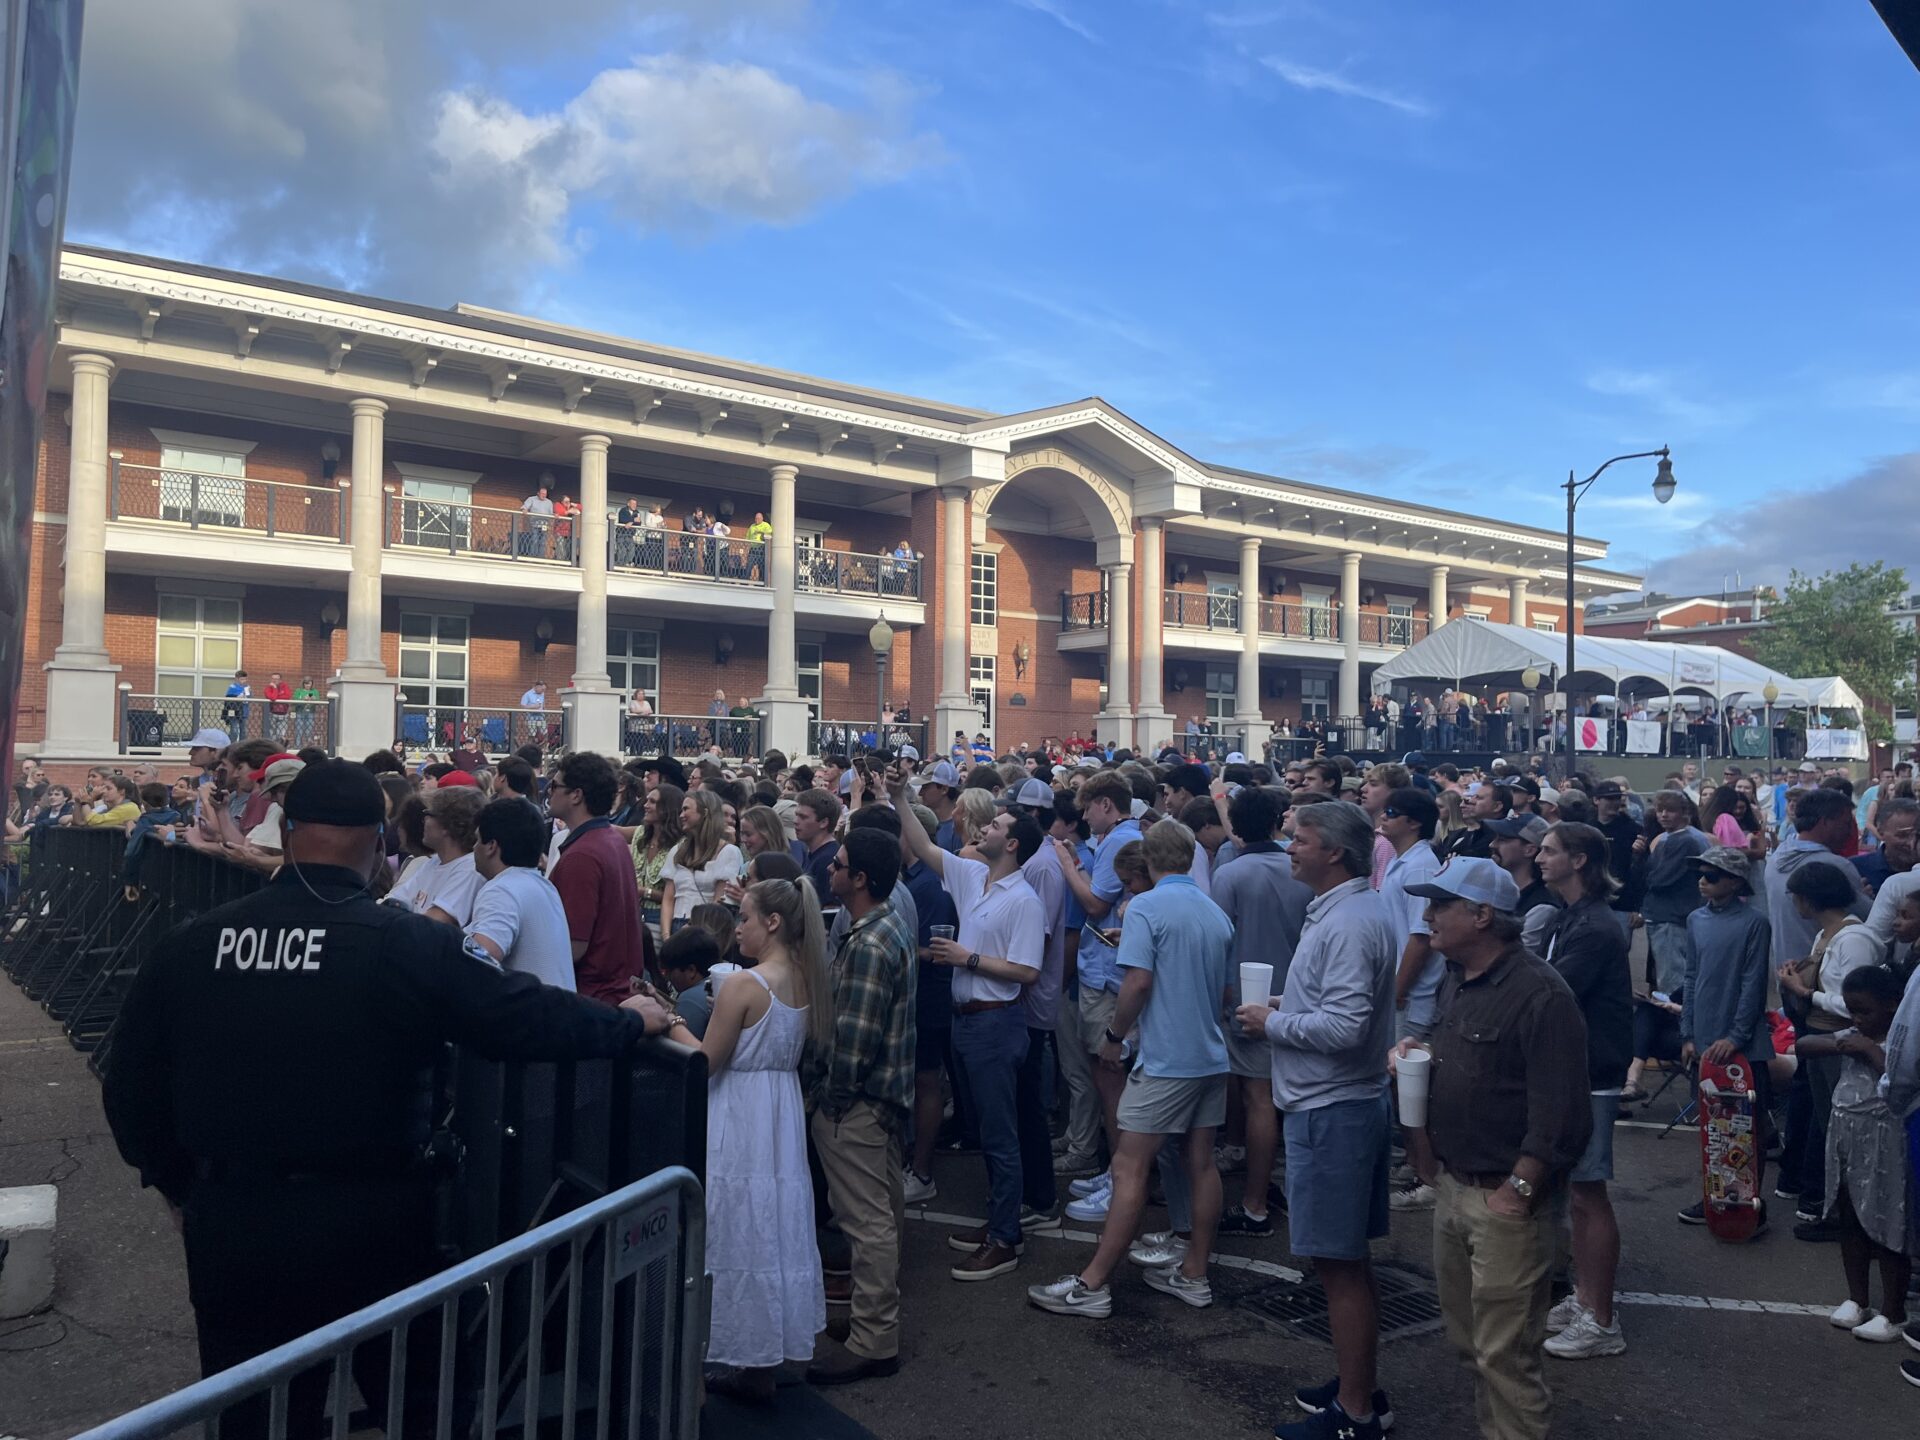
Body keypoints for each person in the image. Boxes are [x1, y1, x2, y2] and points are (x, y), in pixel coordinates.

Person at [101, 760, 675, 1440]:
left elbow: (129, 1081)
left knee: (256, 1413)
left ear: (289, 834)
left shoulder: (195, 943)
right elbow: (519, 1015)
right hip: (377, 1220)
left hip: (239, 1219)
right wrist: (628, 1022)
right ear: (379, 844)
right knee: (416, 1404)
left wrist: (176, 1182)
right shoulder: (403, 943)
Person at [1398, 858, 1594, 1440]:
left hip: (1504, 1202)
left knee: (1505, 1359)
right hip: (1458, 1187)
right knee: (1472, 1346)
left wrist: (1518, 1191)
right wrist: (1417, 1052)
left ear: (1482, 916)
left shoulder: (1541, 995)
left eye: (1441, 905)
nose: (1428, 916)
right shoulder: (1460, 976)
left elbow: (1563, 1113)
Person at [1027, 819, 1232, 1320]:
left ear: (1151, 861)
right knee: (1201, 1163)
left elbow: (1138, 984)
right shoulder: (1213, 911)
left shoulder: (1145, 905)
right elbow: (1217, 986)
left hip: (1167, 1060)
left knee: (1128, 1166)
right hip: (1209, 1054)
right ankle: (1194, 1273)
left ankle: (1092, 1284)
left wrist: (1114, 1038)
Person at [1238, 801, 1398, 1440]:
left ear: (1334, 851)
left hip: (1332, 1109)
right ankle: (1359, 1387)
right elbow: (1336, 1006)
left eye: (1300, 839)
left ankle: (1356, 1414)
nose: (1289, 848)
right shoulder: (1346, 910)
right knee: (1347, 1261)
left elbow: (1346, 1027)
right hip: (1337, 1104)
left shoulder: (1350, 921)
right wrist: (1287, 1002)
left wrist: (1273, 1021)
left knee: (1338, 1265)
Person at [681, 877, 830, 1402]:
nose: (737, 928)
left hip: (740, 1115)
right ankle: (759, 1364)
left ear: (773, 922)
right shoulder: (808, 978)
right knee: (770, 1232)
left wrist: (669, 1019)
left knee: (729, 1228)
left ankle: (704, 1367)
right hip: (779, 1115)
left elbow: (705, 1061)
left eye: (743, 917)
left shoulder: (744, 985)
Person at [891, 771, 1044, 1281]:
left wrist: (967, 958)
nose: (985, 828)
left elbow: (1027, 972)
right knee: (988, 1132)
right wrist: (898, 796)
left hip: (994, 1024)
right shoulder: (975, 877)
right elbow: (921, 846)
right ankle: (999, 1222)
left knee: (1000, 1135)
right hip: (969, 1023)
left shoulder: (1024, 900)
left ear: (1012, 844)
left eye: (996, 825)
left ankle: (1005, 1240)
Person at [809, 828, 918, 1385]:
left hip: (859, 1104)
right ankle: (868, 1321)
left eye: (840, 865)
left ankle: (873, 1340)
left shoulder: (870, 943)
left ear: (860, 880)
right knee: (882, 1213)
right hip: (882, 1099)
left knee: (867, 1222)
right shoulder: (881, 924)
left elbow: (854, 1042)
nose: (830, 870)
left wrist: (831, 1101)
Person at [1527, 823, 1634, 1359]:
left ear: (1580, 860)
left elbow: (1552, 991)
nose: (1538, 858)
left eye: (1549, 851)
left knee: (1589, 1195)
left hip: (1592, 1074)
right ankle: (1586, 1297)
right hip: (1578, 1070)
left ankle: (1601, 1321)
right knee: (1576, 1193)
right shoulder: (1572, 916)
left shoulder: (1593, 927)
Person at [1209, 786, 1310, 1236]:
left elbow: (1218, 942)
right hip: (1299, 995)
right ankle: (1278, 1187)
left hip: (1249, 999)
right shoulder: (1300, 867)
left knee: (1259, 1100)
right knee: (1288, 1099)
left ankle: (1255, 1204)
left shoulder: (1231, 874)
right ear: (1274, 822)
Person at [1796, 966, 1910, 1341]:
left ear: (1892, 1005)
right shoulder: (1852, 1034)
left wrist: (1870, 1050)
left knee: (1886, 1220)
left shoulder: (1902, 1040)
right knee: (1851, 1216)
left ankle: (1894, 1311)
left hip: (1884, 1137)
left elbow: (1899, 1078)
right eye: (1852, 1011)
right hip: (1846, 1133)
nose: (1858, 1019)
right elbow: (1804, 1045)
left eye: (1865, 1011)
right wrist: (1843, 1043)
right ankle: (1857, 1298)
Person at [1779, 856, 1888, 1240]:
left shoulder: (1853, 939)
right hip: (1824, 1039)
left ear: (1809, 898)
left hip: (1842, 1041)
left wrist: (1806, 992)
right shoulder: (1828, 935)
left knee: (1840, 1128)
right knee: (1826, 1123)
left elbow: (1856, 1004)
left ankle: (1845, 1213)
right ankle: (1829, 1204)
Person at [1673, 847, 1772, 1224]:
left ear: (1734, 882)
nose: (1702, 881)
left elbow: (1753, 983)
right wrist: (1687, 1033)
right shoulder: (1696, 919)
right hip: (1703, 1041)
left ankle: (1748, 1202)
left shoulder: (1755, 922)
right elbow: (1691, 977)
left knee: (1746, 1126)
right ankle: (1716, 1197)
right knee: (1713, 1128)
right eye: (1700, 874)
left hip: (1742, 1045)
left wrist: (1736, 1035)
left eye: (1711, 875)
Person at [1378, 786, 1445, 1211]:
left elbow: (1420, 938)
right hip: (1402, 990)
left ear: (1414, 822)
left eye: (1392, 811)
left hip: (1411, 994)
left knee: (1409, 1087)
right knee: (1399, 1085)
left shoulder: (1420, 865)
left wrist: (1398, 990)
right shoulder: (1401, 860)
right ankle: (1414, 1162)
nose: (1383, 817)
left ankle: (1428, 1177)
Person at [548, 751, 652, 1004]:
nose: (548, 792)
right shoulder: (611, 839)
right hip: (615, 992)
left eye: (554, 786)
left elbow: (574, 946)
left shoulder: (582, 855)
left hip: (593, 997)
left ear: (576, 795)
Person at [464, 797, 575, 989]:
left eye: (477, 840)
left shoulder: (502, 890)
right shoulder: (544, 886)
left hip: (532, 1007)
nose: (474, 848)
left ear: (491, 846)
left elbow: (479, 959)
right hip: (558, 1004)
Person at [1635, 791, 1710, 994]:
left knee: (1672, 978)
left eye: (1670, 810)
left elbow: (1660, 879)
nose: (1663, 815)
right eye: (1660, 810)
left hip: (1672, 916)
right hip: (1669, 915)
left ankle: (1677, 1013)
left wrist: (1646, 875)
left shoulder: (1685, 841)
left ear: (1684, 812)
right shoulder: (1668, 839)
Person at [397, 786, 486, 926]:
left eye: (428, 813)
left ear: (447, 825)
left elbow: (433, 923)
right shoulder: (433, 862)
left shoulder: (470, 870)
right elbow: (396, 901)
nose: (424, 820)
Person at [661, 790, 743, 938]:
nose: (681, 815)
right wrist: (666, 936)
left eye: (686, 809)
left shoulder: (729, 852)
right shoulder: (677, 851)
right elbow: (668, 898)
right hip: (674, 925)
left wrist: (692, 927)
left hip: (707, 929)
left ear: (705, 812)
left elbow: (720, 901)